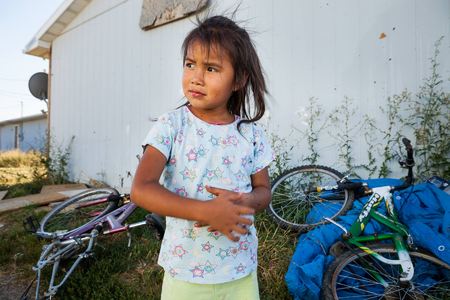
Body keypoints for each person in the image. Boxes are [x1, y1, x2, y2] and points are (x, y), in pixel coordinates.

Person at [131, 15, 273, 300]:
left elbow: (264, 191)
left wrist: (245, 202)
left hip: (240, 271)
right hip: (186, 273)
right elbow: (141, 189)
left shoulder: (251, 135)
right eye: (189, 64)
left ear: (239, 79)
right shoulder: (171, 126)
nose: (196, 77)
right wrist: (205, 211)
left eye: (211, 68)